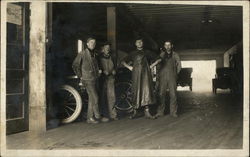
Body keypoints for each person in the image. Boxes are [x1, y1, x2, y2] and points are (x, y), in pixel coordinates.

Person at [72, 37, 109, 124]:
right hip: (87, 79)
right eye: (91, 42)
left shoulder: (95, 54)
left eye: (94, 43)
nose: (93, 44)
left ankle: (90, 118)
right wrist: (80, 76)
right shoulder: (82, 54)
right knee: (95, 97)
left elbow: (96, 65)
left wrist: (99, 70)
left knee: (92, 98)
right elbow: (75, 65)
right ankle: (97, 116)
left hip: (95, 78)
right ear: (87, 44)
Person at [121, 38, 158, 119]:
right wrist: (129, 67)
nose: (139, 43)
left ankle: (147, 112)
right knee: (136, 90)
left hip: (145, 75)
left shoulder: (147, 52)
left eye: (141, 42)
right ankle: (135, 112)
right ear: (135, 44)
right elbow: (123, 61)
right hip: (136, 74)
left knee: (146, 91)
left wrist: (151, 66)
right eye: (138, 42)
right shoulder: (132, 53)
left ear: (143, 43)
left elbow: (159, 59)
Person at [155, 40, 181, 118]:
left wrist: (175, 74)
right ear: (164, 46)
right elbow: (158, 66)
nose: (167, 46)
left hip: (172, 77)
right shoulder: (161, 55)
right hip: (162, 77)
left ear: (172, 46)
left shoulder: (175, 54)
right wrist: (158, 76)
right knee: (161, 94)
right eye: (166, 45)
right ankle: (160, 112)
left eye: (169, 45)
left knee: (173, 94)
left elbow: (179, 65)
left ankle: (173, 112)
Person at [98, 42, 118, 121]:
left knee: (112, 97)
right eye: (106, 47)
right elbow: (97, 67)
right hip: (102, 79)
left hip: (111, 78)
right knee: (102, 97)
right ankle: (102, 115)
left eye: (108, 47)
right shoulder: (98, 57)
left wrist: (114, 70)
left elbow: (116, 66)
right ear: (103, 49)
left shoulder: (112, 57)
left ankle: (113, 115)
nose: (107, 49)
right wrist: (103, 71)